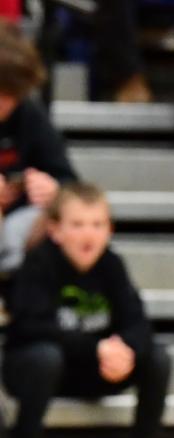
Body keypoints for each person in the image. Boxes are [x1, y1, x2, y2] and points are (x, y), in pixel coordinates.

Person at [1, 183, 171, 438]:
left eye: (97, 225)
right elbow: (31, 327)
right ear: (55, 230)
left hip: (96, 369)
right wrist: (96, 347)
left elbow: (138, 322)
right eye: (77, 225)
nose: (87, 234)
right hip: (40, 370)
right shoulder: (39, 263)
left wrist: (126, 350)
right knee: (45, 357)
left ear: (109, 229)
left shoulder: (111, 264)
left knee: (157, 357)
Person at [0, 22, 77, 277]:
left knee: (67, 215)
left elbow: (70, 181)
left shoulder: (29, 115)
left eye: (11, 95)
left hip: (16, 228)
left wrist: (54, 190)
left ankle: (22, 297)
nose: (4, 103)